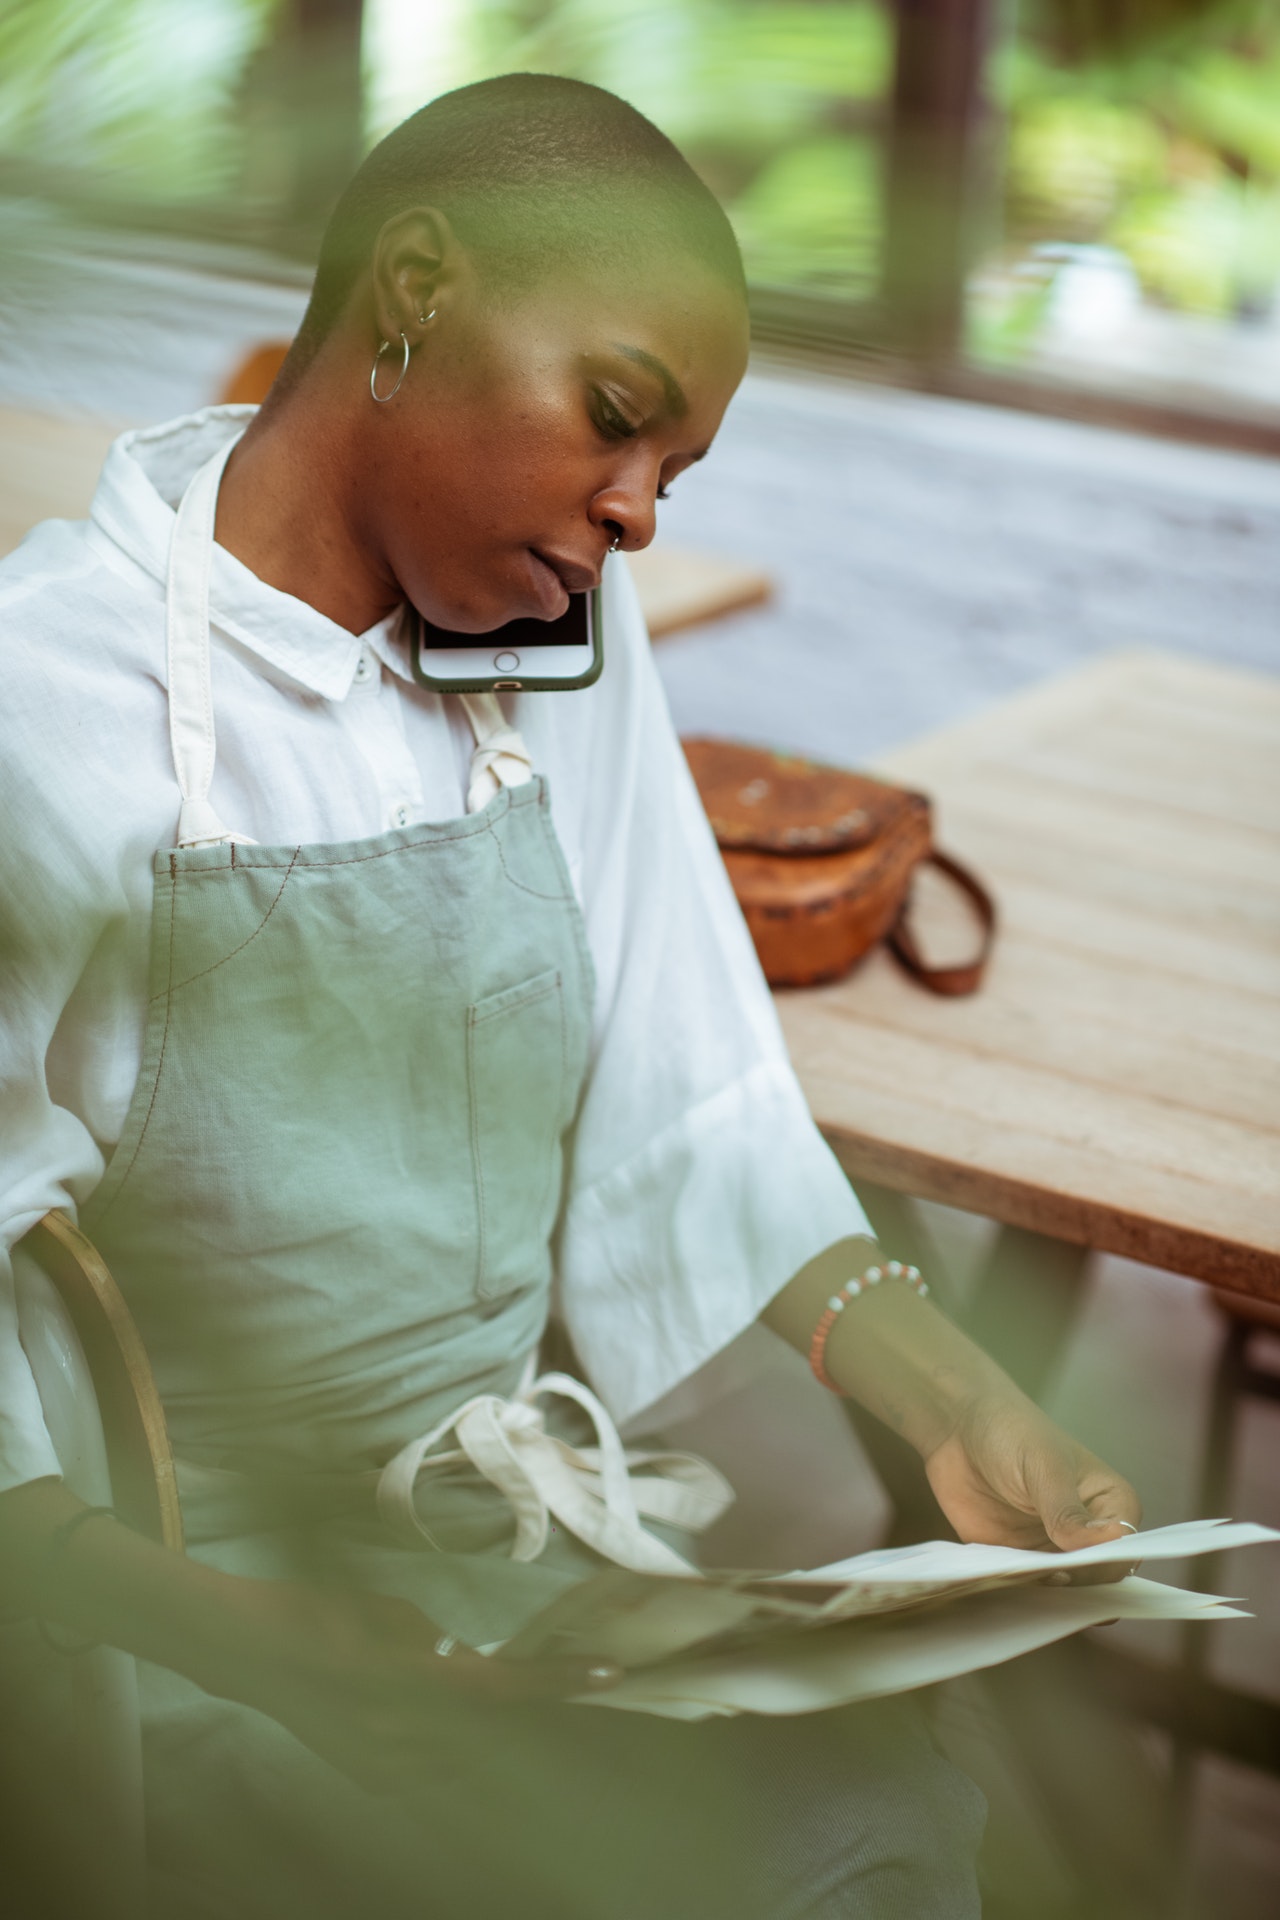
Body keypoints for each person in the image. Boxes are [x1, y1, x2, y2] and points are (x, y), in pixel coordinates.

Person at [0, 73, 1139, 1920]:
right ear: (415, 292)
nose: (634, 520)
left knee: (863, 1811)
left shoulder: (544, 656)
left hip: (494, 1578)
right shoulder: (46, 705)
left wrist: (953, 1404)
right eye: (616, 422)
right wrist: (267, 1640)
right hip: (178, 1635)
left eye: (671, 480)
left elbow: (691, 1092)